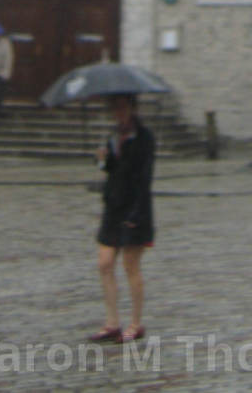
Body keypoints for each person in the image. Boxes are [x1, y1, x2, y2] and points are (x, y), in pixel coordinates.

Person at [89, 94, 155, 345]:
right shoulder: (114, 136)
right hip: (113, 208)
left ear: (132, 108)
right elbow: (110, 169)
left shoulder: (144, 137)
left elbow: (145, 178)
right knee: (104, 264)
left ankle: (136, 324)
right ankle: (112, 323)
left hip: (135, 209)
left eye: (122, 108)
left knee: (131, 266)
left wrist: (137, 215)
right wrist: (101, 160)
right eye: (114, 108)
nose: (118, 113)